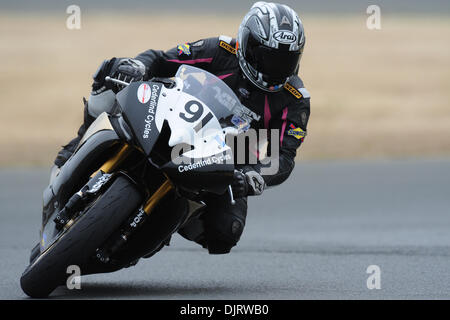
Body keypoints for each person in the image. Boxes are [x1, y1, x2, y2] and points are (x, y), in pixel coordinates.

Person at [54, 1, 310, 254]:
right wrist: (139, 66)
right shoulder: (221, 49)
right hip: (179, 115)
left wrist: (255, 175)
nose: (275, 68)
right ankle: (77, 146)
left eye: (285, 60)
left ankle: (173, 216)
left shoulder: (295, 97)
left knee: (225, 232)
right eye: (268, 57)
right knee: (113, 70)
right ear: (247, 43)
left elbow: (283, 157)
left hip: (230, 154)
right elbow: (161, 59)